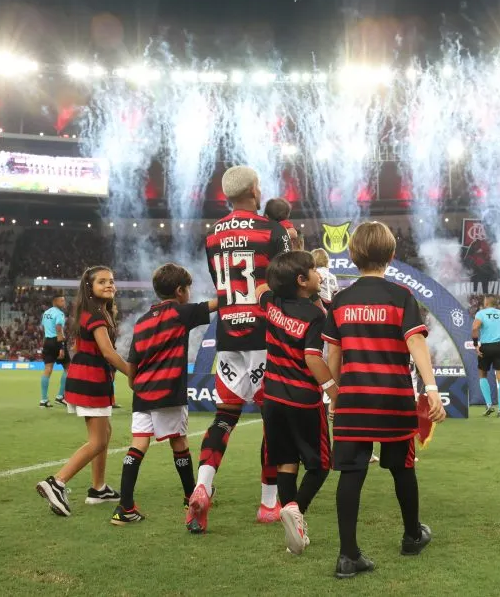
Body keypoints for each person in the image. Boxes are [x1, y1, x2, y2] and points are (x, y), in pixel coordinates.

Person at [323, 221, 446, 579]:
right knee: (402, 466)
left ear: (352, 254)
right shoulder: (400, 297)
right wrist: (432, 388)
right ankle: (411, 536)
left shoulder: (341, 302)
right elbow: (416, 342)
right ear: (391, 256)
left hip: (353, 400)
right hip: (392, 399)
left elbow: (334, 353)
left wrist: (334, 395)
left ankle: (348, 556)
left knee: (350, 472)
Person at [191, 166, 292, 532]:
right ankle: (267, 503)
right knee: (273, 420)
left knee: (224, 416)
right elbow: (287, 280)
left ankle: (202, 485)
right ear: (253, 189)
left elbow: (220, 281)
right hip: (266, 335)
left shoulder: (213, 235)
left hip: (229, 334)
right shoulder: (273, 230)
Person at [110, 263, 218, 526]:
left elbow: (133, 361)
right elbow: (216, 304)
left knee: (137, 445)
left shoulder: (143, 320)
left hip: (143, 393)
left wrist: (134, 383)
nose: (190, 293)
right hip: (168, 391)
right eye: (188, 288)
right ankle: (191, 495)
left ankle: (125, 507)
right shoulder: (180, 313)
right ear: (180, 291)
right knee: (179, 443)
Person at [36, 266, 132, 516]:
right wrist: (133, 373)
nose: (109, 285)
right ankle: (56, 482)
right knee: (98, 440)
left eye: (111, 281)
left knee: (105, 432)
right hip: (91, 380)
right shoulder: (97, 315)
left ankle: (98, 488)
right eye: (102, 282)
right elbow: (108, 352)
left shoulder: (93, 312)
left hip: (88, 377)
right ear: (90, 287)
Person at [257, 251, 334, 555]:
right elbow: (312, 357)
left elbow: (260, 289)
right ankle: (296, 510)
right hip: (303, 400)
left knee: (286, 462)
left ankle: (293, 526)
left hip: (273, 398)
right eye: (314, 270)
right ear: (302, 281)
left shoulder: (271, 302)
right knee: (321, 466)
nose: (319, 274)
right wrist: (333, 389)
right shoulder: (316, 316)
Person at [472, 295, 500, 418]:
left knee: (482, 375)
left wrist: (476, 344)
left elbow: (475, 328)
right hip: (499, 347)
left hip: (485, 347)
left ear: (486, 302)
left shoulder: (481, 314)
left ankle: (489, 404)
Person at [39, 293, 69, 408]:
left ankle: (43, 399)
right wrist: (61, 346)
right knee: (68, 367)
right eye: (62, 301)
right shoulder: (59, 314)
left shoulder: (46, 313)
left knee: (47, 369)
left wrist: (45, 343)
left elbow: (44, 328)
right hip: (57, 341)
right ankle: (60, 397)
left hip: (47, 341)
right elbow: (58, 329)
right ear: (55, 302)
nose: (64, 303)